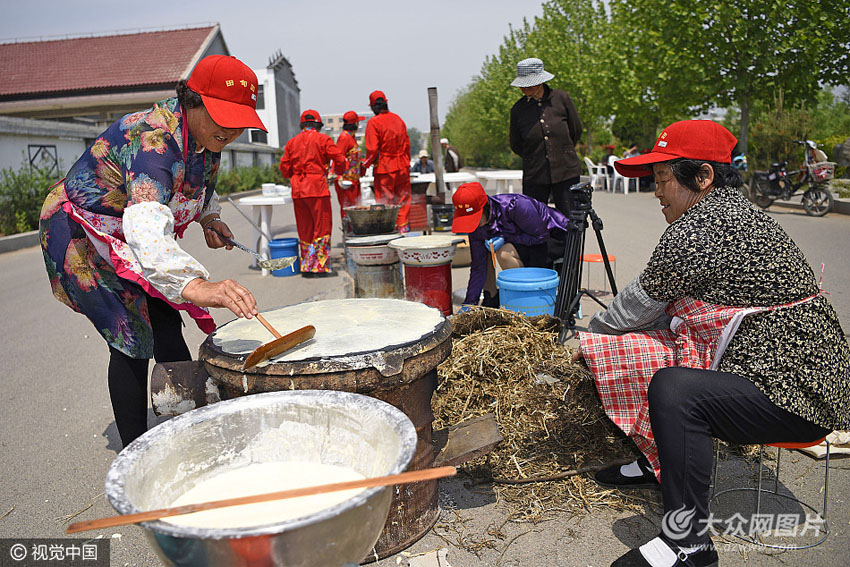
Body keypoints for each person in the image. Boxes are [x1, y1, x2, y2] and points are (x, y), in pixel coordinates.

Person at [571, 120, 849, 567]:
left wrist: (586, 339)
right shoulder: (731, 212)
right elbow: (652, 311)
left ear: (702, 177)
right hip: (783, 374)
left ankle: (688, 545)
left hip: (798, 397)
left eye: (663, 178)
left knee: (674, 389)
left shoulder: (700, 229)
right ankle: (659, 461)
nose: (656, 192)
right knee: (643, 347)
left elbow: (635, 306)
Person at [39, 54, 265, 447]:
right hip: (83, 233)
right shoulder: (153, 143)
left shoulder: (206, 136)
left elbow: (194, 184)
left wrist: (209, 218)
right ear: (193, 102)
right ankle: (136, 452)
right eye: (223, 118)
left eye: (239, 122)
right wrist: (197, 286)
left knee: (165, 320)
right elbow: (147, 231)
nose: (231, 131)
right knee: (130, 336)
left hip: (128, 236)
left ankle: (190, 426)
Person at [451, 182, 568, 308]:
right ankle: (491, 298)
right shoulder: (476, 228)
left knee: (504, 253)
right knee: (483, 255)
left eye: (473, 219)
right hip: (524, 242)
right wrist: (469, 303)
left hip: (553, 238)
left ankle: (525, 299)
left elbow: (540, 236)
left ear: (485, 207)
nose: (471, 224)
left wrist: (505, 238)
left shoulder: (516, 205)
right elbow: (478, 267)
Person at [509, 58, 583, 217]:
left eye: (529, 84)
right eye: (522, 85)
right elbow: (516, 143)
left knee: (571, 219)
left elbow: (575, 130)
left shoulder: (561, 99)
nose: (524, 88)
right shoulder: (518, 109)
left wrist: (562, 151)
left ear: (540, 82)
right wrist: (535, 156)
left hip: (566, 171)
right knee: (535, 219)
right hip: (535, 174)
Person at [279, 109, 346, 276]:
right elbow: (340, 159)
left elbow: (284, 169)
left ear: (302, 125)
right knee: (321, 228)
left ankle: (307, 267)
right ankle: (319, 266)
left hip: (298, 189)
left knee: (305, 229)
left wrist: (295, 174)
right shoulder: (323, 139)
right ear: (318, 125)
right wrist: (338, 172)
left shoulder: (292, 142)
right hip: (317, 188)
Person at [363, 90, 412, 232]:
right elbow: (407, 145)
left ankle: (390, 231)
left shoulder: (374, 122)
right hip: (402, 166)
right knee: (403, 200)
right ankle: (403, 230)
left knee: (386, 202)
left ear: (373, 107)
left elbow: (372, 149)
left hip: (385, 167)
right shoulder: (398, 119)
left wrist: (365, 165)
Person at [334, 111, 365, 220]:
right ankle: (348, 229)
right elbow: (338, 157)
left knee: (356, 210)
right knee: (349, 210)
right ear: (355, 124)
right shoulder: (344, 137)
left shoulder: (351, 137)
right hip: (347, 182)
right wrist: (339, 177)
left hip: (354, 181)